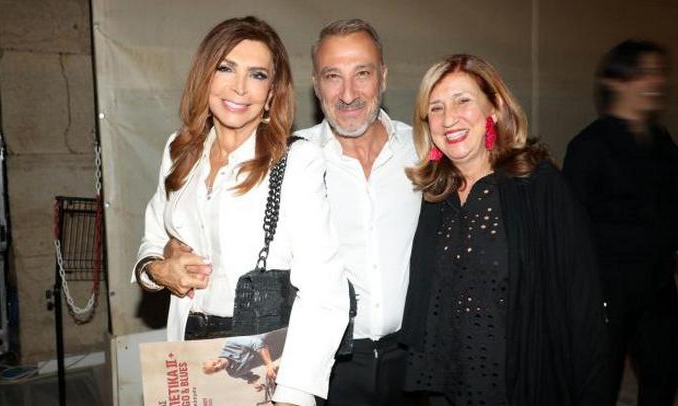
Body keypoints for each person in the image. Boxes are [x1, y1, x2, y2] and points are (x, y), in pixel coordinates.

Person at [131, 16, 349, 406]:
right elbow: (153, 239)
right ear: (205, 76)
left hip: (264, 360)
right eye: (226, 68)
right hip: (189, 349)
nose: (240, 87)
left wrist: (291, 395)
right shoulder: (179, 151)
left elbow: (324, 289)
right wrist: (159, 270)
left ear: (271, 93)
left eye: (257, 75)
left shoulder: (296, 161)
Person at [400, 54, 610, 406]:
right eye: (436, 108)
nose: (448, 118)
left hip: (519, 386)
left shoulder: (538, 186)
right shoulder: (435, 197)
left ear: (494, 108)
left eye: (463, 100)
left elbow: (583, 301)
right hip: (445, 388)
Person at [563, 40, 678, 406]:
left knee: (663, 373)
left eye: (658, 72)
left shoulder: (663, 142)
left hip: (657, 282)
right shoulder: (589, 146)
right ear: (616, 81)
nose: (655, 81)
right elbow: (570, 225)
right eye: (643, 73)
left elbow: (675, 203)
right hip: (607, 286)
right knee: (600, 381)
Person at [294, 19, 422, 406]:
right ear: (316, 85)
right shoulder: (292, 159)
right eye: (333, 76)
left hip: (412, 362)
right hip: (327, 366)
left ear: (382, 77)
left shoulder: (422, 148)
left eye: (362, 73)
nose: (348, 94)